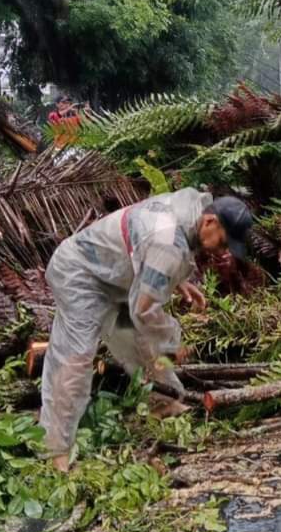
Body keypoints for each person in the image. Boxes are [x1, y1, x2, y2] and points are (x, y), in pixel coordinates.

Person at [40, 188, 253, 471]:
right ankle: (54, 452)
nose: (223, 251)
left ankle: (164, 404)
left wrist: (176, 281)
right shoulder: (169, 243)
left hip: (113, 275)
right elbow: (144, 309)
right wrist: (172, 342)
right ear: (211, 221)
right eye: (224, 242)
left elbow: (148, 248)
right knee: (75, 360)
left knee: (137, 342)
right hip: (79, 275)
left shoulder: (187, 212)